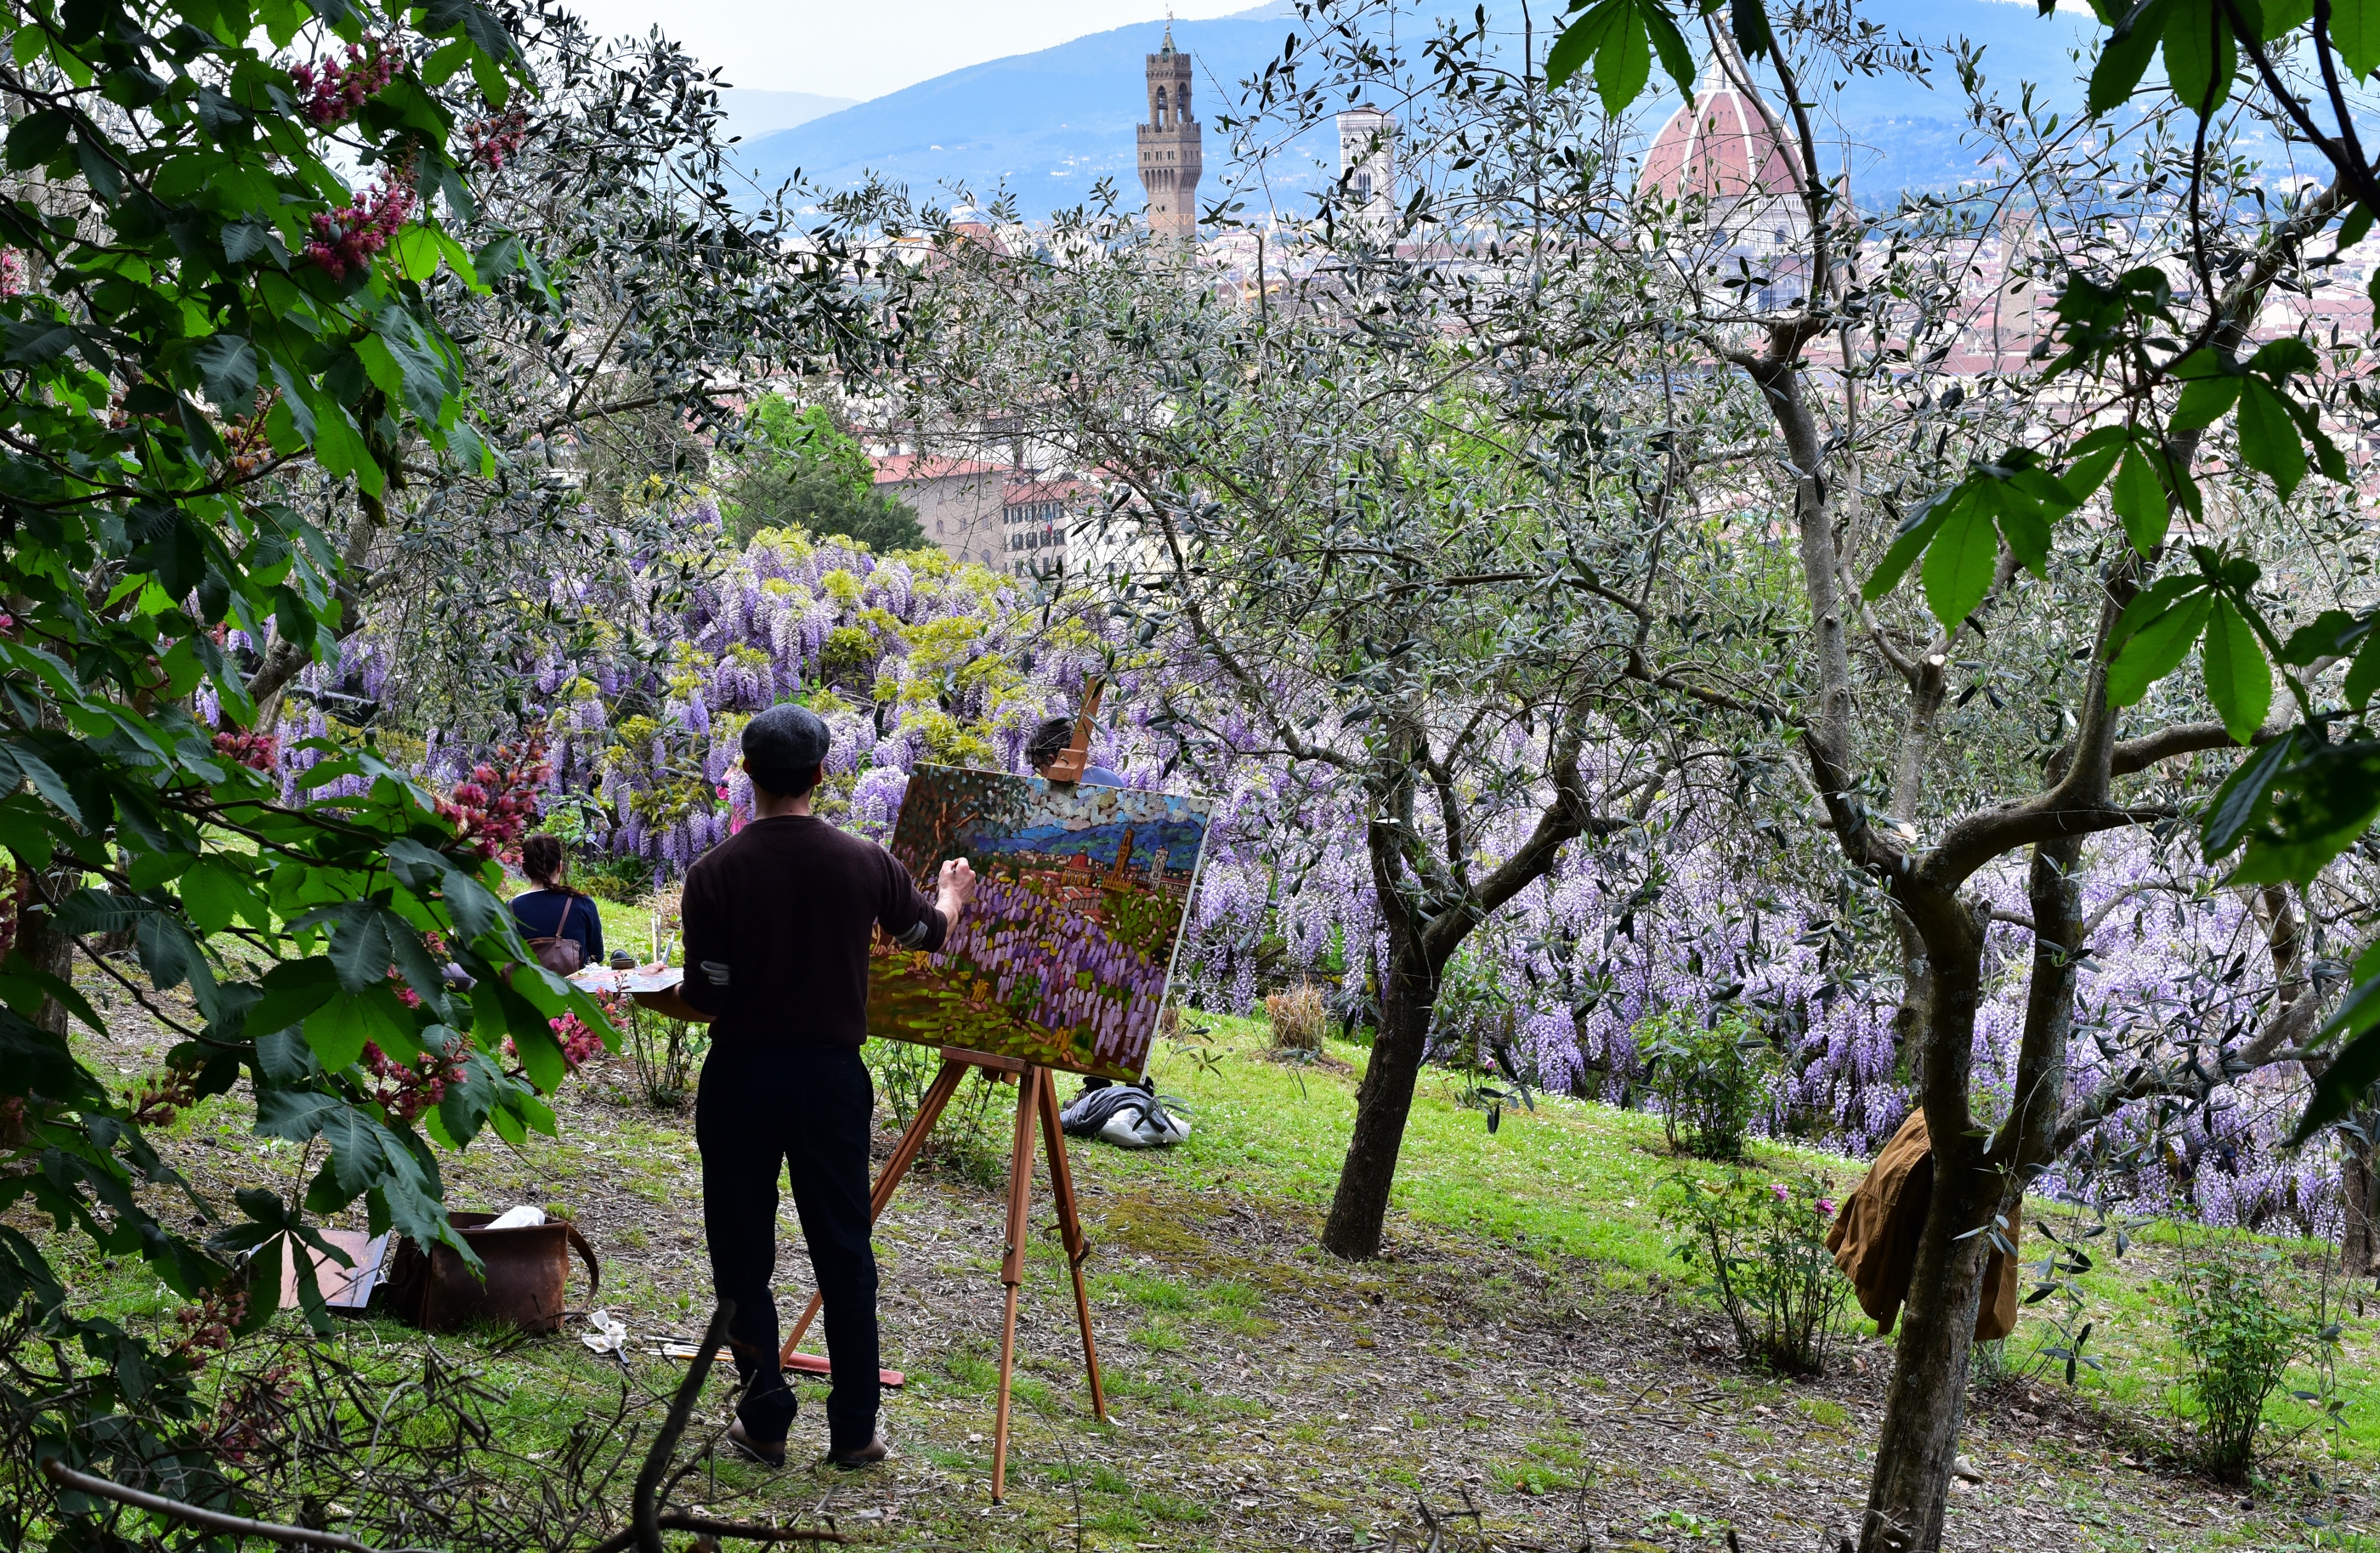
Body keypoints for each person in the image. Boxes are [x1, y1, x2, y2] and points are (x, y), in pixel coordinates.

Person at [632, 704, 975, 1470]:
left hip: (742, 1080)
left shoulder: (713, 873)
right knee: (845, 1253)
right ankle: (855, 1429)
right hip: (830, 1083)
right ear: (824, 773)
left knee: (741, 1256)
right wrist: (953, 892)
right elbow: (927, 933)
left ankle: (766, 1417)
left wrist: (647, 993)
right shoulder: (864, 862)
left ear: (746, 775)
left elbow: (710, 995)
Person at [511, 834, 604, 970]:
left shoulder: (510, 908)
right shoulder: (583, 904)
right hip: (575, 989)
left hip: (526, 989)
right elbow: (598, 956)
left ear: (524, 869)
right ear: (560, 866)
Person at [1024, 714, 1124, 787]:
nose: (1041, 774)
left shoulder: (1059, 792)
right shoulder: (1113, 779)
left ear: (1051, 760)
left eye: (1038, 767)